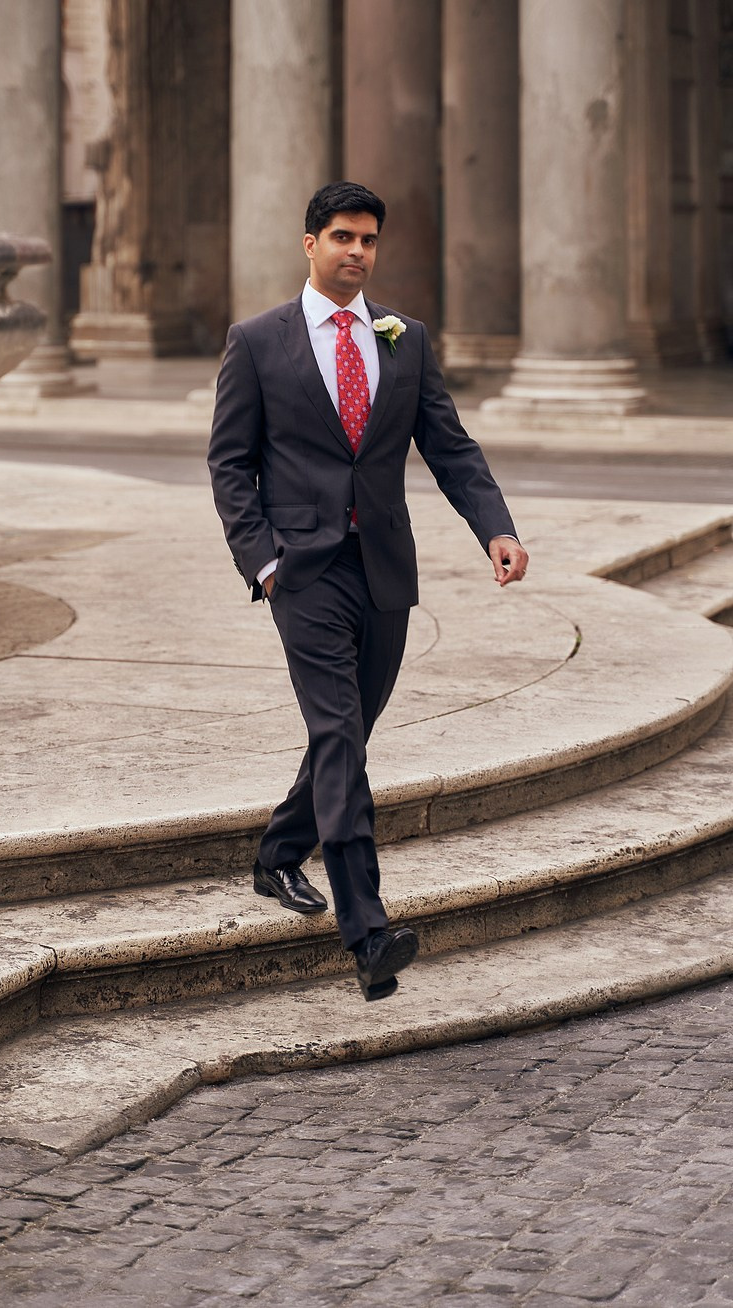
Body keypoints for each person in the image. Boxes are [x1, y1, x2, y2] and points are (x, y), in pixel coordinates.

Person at [208, 181, 528, 1001]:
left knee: (346, 733)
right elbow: (229, 465)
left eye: (370, 240)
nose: (358, 251)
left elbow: (450, 447)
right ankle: (369, 933)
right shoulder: (257, 342)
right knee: (341, 735)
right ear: (309, 243)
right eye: (343, 236)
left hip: (385, 569)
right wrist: (264, 561)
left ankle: (278, 855)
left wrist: (495, 527)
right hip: (303, 573)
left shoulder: (404, 340)